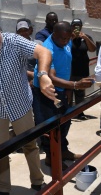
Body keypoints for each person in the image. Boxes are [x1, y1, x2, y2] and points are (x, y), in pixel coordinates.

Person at [0, 15, 56, 195]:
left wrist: (42, 75)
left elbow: (44, 52)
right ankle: (3, 189)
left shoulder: (13, 41)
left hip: (21, 105)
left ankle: (37, 181)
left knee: (30, 145)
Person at [32, 21, 93, 170]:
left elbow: (66, 64)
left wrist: (67, 89)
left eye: (68, 39)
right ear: (54, 34)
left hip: (61, 89)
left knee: (65, 120)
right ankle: (51, 158)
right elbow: (51, 77)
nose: (66, 42)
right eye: (62, 39)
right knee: (50, 125)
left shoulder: (66, 40)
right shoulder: (48, 49)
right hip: (45, 92)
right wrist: (74, 85)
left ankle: (63, 151)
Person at [70, 18, 96, 120]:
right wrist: (71, 38)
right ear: (71, 27)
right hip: (70, 70)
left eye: (78, 26)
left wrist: (85, 38)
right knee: (68, 92)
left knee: (80, 93)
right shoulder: (67, 37)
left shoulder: (86, 37)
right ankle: (68, 113)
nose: (76, 28)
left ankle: (79, 112)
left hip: (82, 70)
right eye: (74, 26)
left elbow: (93, 49)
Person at [16, 19, 42, 86]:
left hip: (37, 81)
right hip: (20, 83)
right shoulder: (13, 47)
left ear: (29, 31)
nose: (23, 33)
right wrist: (28, 73)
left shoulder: (38, 44)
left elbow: (43, 63)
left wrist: (35, 80)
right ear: (17, 33)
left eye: (25, 30)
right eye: (20, 31)